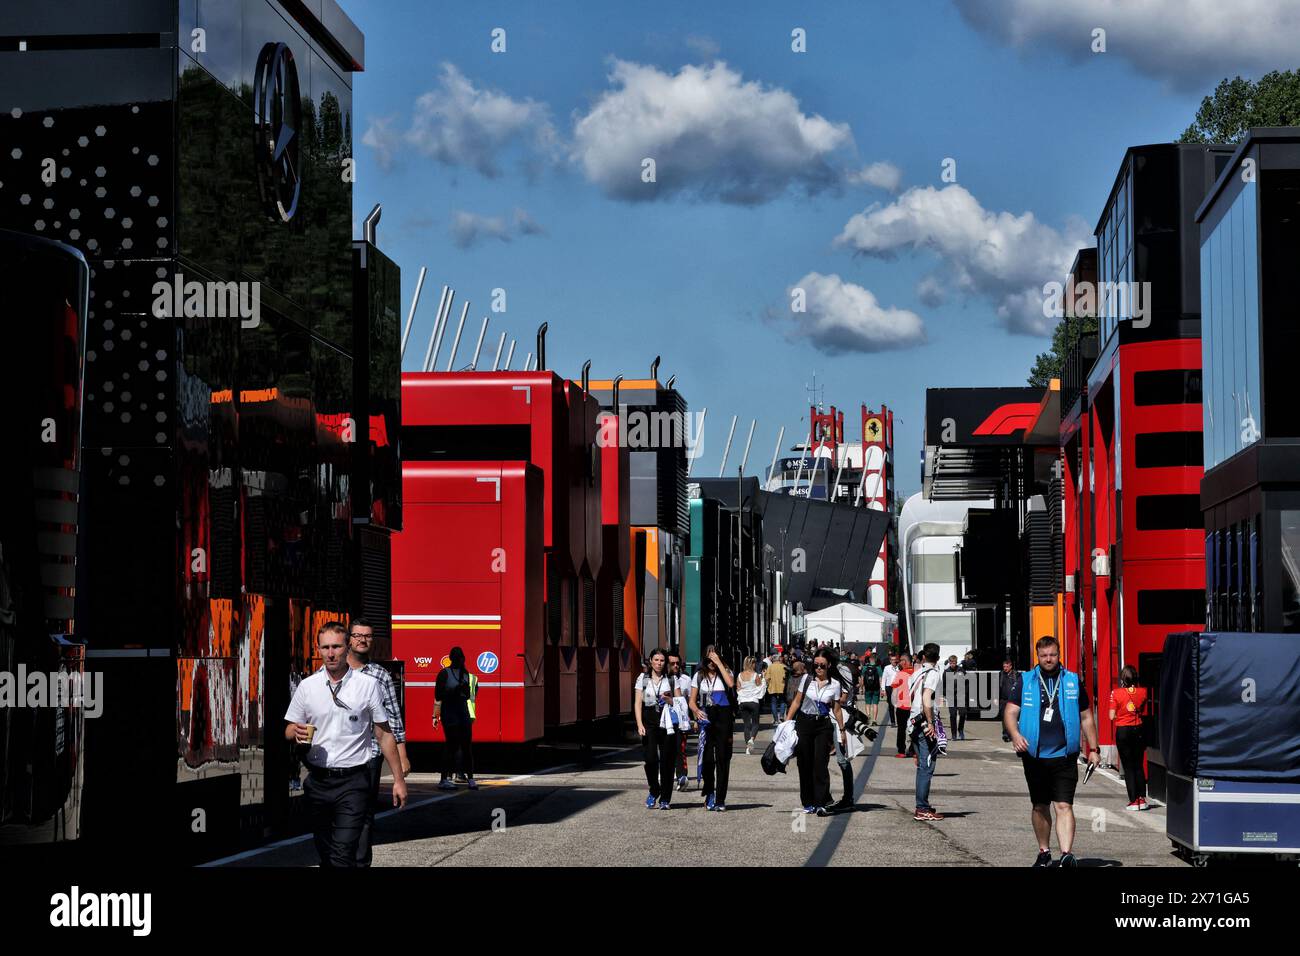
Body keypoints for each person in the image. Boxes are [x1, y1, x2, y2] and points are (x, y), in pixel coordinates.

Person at [284, 622, 408, 868]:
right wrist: (294, 732)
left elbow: (384, 734)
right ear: (319, 649)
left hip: (353, 781)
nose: (331, 653)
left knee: (343, 853)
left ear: (346, 647)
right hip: (318, 781)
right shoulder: (308, 687)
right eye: (325, 647)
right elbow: (288, 728)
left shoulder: (367, 685)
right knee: (326, 854)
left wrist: (398, 779)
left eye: (336, 647)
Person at [1004, 636, 1100, 868]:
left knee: (1064, 805)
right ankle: (1044, 851)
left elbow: (1086, 717)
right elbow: (1010, 713)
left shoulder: (1073, 681)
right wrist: (1016, 736)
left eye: (1053, 654)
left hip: (1065, 756)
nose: (1049, 659)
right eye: (1044, 655)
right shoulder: (1025, 680)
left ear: (1059, 655)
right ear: (1038, 655)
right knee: (1040, 806)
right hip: (1034, 756)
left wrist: (1094, 749)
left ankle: (1066, 854)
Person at [346, 617, 410, 866]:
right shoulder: (334, 672)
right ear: (348, 638)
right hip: (338, 755)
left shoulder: (381, 675)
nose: (363, 640)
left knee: (363, 814)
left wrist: (402, 757)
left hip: (370, 755)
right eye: (358, 635)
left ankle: (361, 863)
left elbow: (394, 717)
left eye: (368, 636)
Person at [786, 649, 847, 816]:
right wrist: (786, 723)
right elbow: (797, 702)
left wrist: (842, 731)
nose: (818, 668)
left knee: (821, 763)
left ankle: (821, 803)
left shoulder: (834, 684)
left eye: (822, 665)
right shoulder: (806, 679)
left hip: (823, 726)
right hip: (804, 723)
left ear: (829, 666)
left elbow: (837, 709)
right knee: (804, 764)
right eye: (816, 665)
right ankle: (808, 802)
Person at [690, 645, 736, 811]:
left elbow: (731, 684)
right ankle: (709, 790)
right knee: (708, 759)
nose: (711, 662)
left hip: (723, 717)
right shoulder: (698, 676)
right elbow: (692, 701)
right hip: (707, 715)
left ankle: (720, 799)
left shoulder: (726, 672)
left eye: (714, 658)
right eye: (709, 659)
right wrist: (696, 712)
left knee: (723, 759)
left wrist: (719, 663)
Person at [634, 649, 681, 809]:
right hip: (650, 722)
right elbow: (637, 703)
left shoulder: (672, 679)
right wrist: (640, 724)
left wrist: (670, 700)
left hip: (667, 722)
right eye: (656, 660)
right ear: (650, 661)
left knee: (667, 761)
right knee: (650, 758)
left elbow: (680, 702)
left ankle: (665, 799)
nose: (659, 663)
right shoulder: (643, 678)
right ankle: (654, 789)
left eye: (662, 660)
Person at [432, 646, 479, 790]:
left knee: (466, 746)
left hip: (463, 711)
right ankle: (444, 778)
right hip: (450, 711)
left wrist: (464, 690)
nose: (459, 660)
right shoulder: (444, 673)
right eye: (457, 657)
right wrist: (454, 690)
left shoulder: (467, 675)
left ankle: (470, 778)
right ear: (451, 659)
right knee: (451, 745)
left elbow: (472, 693)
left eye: (461, 657)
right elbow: (438, 694)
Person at [909, 643, 945, 821]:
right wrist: (931, 722)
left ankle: (922, 804)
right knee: (927, 766)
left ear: (923, 657)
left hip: (913, 722)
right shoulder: (933, 674)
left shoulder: (916, 673)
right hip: (924, 723)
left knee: (922, 765)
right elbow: (926, 698)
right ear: (937, 658)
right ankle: (922, 807)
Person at [1110, 665, 1149, 811]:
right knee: (1138, 764)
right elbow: (1142, 709)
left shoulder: (1116, 693)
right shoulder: (1143, 692)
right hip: (1138, 728)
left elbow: (1111, 715)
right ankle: (1142, 798)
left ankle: (1133, 800)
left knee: (1128, 766)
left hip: (1123, 730)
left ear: (1122, 679)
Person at [667, 649, 693, 790]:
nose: (675, 666)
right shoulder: (662, 678)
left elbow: (690, 700)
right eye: (672, 663)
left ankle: (682, 776)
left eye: (678, 663)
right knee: (666, 749)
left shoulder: (686, 680)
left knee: (680, 749)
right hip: (665, 720)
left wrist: (692, 719)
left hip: (681, 721)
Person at [737, 657, 765, 755]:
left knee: (746, 725)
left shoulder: (740, 675)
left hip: (743, 702)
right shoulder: (755, 675)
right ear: (752, 664)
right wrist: (763, 679)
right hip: (753, 701)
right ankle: (751, 740)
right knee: (756, 723)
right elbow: (759, 687)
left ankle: (747, 748)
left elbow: (738, 688)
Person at [891, 654, 914, 756]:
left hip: (902, 705)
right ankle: (914, 750)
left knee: (901, 728)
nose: (899, 662)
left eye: (901, 660)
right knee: (914, 729)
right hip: (914, 706)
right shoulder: (917, 673)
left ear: (905, 661)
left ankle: (901, 751)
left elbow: (894, 689)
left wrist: (894, 703)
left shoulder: (900, 674)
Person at [943, 655, 967, 742]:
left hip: (961, 695)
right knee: (952, 715)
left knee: (963, 713)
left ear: (956, 663)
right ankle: (954, 734)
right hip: (951, 696)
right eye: (951, 663)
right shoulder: (946, 672)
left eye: (954, 663)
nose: (953, 664)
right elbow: (944, 685)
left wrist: (966, 693)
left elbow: (966, 682)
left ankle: (960, 730)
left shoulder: (961, 670)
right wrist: (945, 694)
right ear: (949, 663)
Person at [859, 653, 882, 724]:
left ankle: (868, 715)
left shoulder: (865, 668)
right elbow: (880, 680)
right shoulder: (878, 668)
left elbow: (862, 679)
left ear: (869, 659)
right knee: (875, 704)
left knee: (867, 703)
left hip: (868, 688)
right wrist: (882, 689)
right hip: (876, 688)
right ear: (876, 659)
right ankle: (874, 720)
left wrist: (861, 688)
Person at [765, 653, 788, 725]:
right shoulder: (784, 666)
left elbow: (767, 678)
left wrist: (767, 684)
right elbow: (787, 677)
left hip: (773, 687)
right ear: (779, 659)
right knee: (783, 701)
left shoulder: (770, 667)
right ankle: (781, 716)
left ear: (773, 659)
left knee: (773, 703)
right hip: (782, 686)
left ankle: (775, 719)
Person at [997, 658, 1016, 743]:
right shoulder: (1001, 674)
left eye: (1007, 666)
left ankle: (1011, 733)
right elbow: (996, 687)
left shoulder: (1016, 675)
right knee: (1004, 717)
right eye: (1004, 666)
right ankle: (1005, 733)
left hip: (1013, 700)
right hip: (1003, 700)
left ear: (1011, 666)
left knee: (1012, 717)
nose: (1005, 668)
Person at [881, 652, 900, 727]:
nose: (894, 661)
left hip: (898, 687)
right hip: (889, 687)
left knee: (898, 705)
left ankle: (899, 721)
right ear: (890, 661)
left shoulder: (899, 667)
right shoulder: (887, 668)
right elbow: (884, 678)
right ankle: (892, 721)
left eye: (895, 660)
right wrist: (883, 689)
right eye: (892, 660)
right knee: (891, 705)